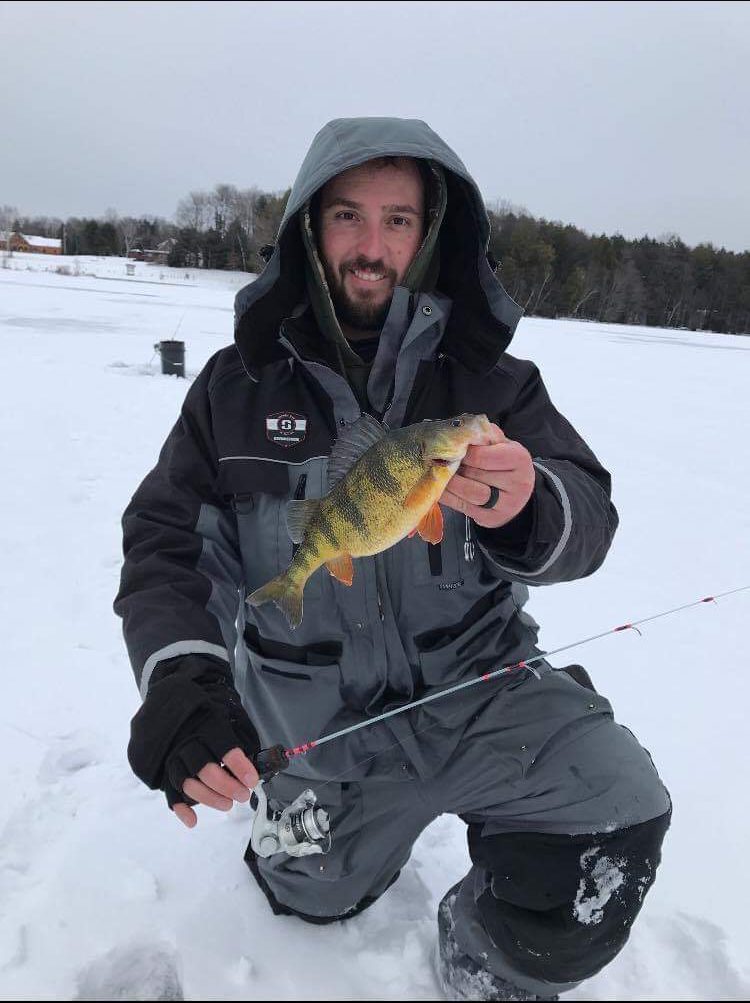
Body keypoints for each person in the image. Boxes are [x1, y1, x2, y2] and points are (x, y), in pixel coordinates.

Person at [115, 117, 671, 1001]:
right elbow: (166, 544)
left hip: (479, 693)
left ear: (430, 234)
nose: (372, 246)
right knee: (309, 899)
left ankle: (484, 959)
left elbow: (591, 516)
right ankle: (311, 838)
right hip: (321, 726)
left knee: (617, 811)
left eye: (399, 220)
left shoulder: (494, 386)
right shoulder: (233, 389)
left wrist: (531, 505)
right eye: (347, 216)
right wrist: (184, 678)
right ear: (308, 226)